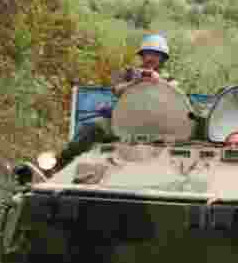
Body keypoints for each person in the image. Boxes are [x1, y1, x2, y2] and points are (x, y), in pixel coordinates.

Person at [53, 33, 178, 172]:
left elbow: (175, 100)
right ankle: (58, 166)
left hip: (152, 126)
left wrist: (159, 81)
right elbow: (116, 90)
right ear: (142, 55)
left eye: (156, 55)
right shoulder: (129, 73)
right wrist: (136, 81)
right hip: (121, 121)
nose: (152, 58)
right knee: (92, 128)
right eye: (149, 53)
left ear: (162, 59)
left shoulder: (169, 80)